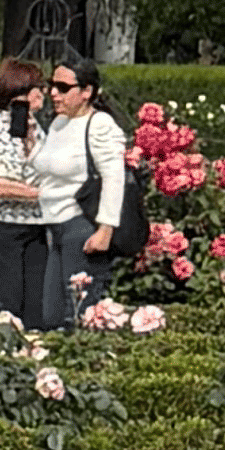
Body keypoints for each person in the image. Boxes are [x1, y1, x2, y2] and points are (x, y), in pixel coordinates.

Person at [0, 57, 56, 322]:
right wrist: (43, 195)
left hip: (31, 226)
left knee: (37, 309)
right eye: (37, 86)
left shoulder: (32, 127)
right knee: (6, 308)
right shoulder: (1, 130)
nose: (44, 92)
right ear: (20, 93)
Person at [54, 55, 137, 317]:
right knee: (54, 312)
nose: (54, 94)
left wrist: (105, 229)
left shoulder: (100, 124)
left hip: (85, 228)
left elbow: (114, 177)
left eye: (63, 88)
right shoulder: (60, 123)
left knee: (80, 310)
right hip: (58, 226)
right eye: (52, 86)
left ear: (86, 92)